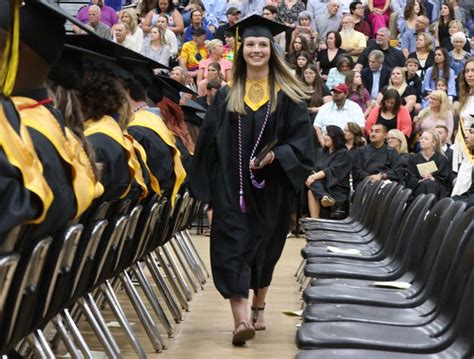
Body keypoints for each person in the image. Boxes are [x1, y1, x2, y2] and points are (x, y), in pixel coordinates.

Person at [189, 15, 314, 345]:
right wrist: (210, 193)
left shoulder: (288, 95)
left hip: (271, 188)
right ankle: (240, 320)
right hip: (233, 189)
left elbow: (301, 141)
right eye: (250, 44)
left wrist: (279, 156)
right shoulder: (229, 96)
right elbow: (208, 145)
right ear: (240, 49)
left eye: (263, 44)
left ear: (272, 50)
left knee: (266, 249)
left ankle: (260, 304)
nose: (256, 50)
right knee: (232, 248)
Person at [306, 125, 352, 219]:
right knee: (310, 184)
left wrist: (314, 177)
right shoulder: (322, 153)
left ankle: (324, 197)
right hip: (321, 187)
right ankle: (315, 222)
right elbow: (314, 169)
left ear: (335, 137)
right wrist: (313, 176)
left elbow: (332, 170)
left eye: (328, 134)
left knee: (311, 185)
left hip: (336, 188)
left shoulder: (344, 153)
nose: (324, 137)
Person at [407, 130, 450, 199]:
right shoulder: (413, 158)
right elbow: (410, 177)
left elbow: (445, 179)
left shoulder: (441, 159)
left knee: (430, 184)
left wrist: (433, 178)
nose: (422, 141)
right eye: (421, 138)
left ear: (433, 142)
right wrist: (419, 181)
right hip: (419, 187)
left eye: (426, 139)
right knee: (425, 185)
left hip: (436, 189)